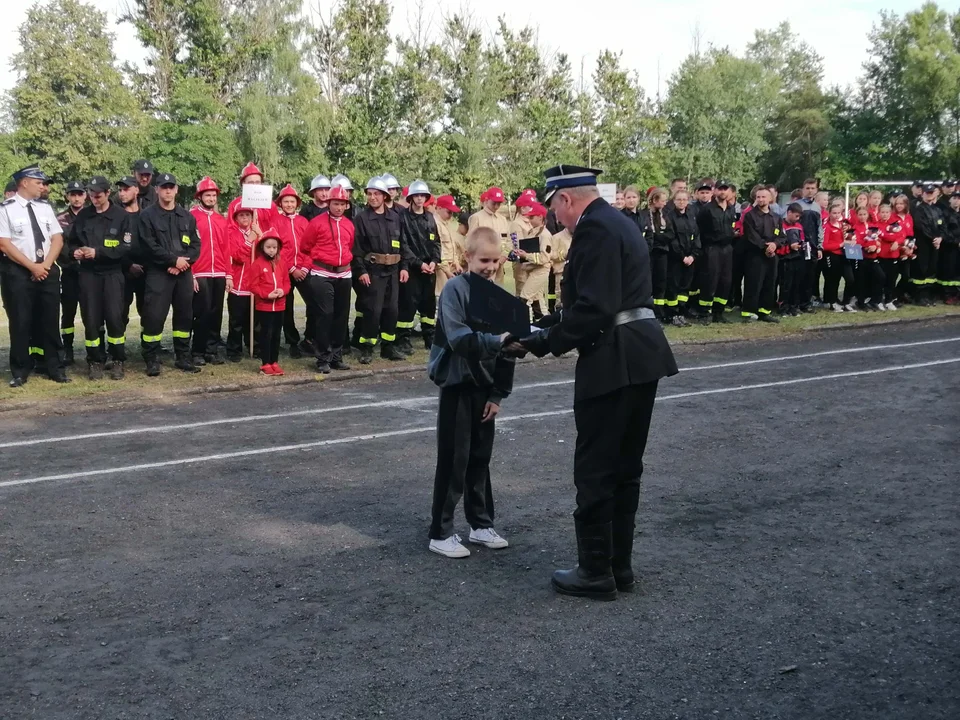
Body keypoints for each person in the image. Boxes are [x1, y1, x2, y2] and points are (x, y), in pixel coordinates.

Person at [520, 165, 678, 601]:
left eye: (554, 206)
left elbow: (594, 309)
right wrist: (543, 326)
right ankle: (618, 566)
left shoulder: (594, 230)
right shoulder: (619, 223)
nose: (555, 216)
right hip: (640, 354)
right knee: (625, 467)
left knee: (596, 468)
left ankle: (594, 571)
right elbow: (599, 300)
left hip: (614, 359)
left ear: (566, 199)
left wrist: (541, 343)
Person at [426, 226, 523, 559]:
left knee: (480, 458)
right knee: (454, 458)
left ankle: (480, 524)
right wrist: (498, 341)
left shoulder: (499, 295)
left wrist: (498, 395)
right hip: (457, 386)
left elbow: (509, 352)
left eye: (496, 261)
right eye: (484, 260)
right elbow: (460, 340)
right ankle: (440, 532)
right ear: (467, 257)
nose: (490, 267)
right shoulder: (454, 290)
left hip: (484, 389)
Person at [0, 165, 70, 386]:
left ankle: (54, 367)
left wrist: (45, 265)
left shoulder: (45, 208)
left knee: (50, 320)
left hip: (46, 270)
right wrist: (32, 267)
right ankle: (20, 370)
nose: (43, 186)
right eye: (38, 182)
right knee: (20, 321)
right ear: (24, 183)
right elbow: (4, 243)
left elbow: (57, 238)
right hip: (18, 273)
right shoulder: (6, 209)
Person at [138, 173, 202, 376]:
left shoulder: (187, 216)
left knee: (184, 316)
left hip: (183, 274)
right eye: (163, 187)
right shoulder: (147, 216)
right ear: (156, 189)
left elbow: (196, 245)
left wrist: (183, 263)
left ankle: (182, 356)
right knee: (154, 316)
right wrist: (173, 261)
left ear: (176, 190)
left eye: (171, 187)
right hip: (159, 273)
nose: (167, 190)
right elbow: (149, 246)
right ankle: (152, 359)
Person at [68, 176, 131, 380]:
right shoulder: (84, 216)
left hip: (112, 273)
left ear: (107, 193)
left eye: (98, 195)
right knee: (91, 319)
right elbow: (71, 243)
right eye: (92, 195)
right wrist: (75, 252)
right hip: (88, 275)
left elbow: (126, 247)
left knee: (114, 318)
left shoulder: (121, 216)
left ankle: (118, 360)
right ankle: (95, 360)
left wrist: (98, 253)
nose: (95, 198)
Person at [352, 176, 411, 364]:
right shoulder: (361, 218)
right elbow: (357, 249)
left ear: (385, 196)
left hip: (393, 271)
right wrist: (361, 271)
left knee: (392, 310)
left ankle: (388, 347)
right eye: (369, 194)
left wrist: (404, 267)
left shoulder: (396, 218)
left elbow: (403, 245)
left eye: (376, 194)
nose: (372, 197)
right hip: (373, 271)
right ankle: (367, 348)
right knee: (372, 310)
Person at [301, 185, 354, 373]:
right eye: (335, 203)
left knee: (341, 316)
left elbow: (350, 245)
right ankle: (323, 357)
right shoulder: (316, 223)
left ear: (346, 205)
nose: (338, 207)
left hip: (344, 274)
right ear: (328, 203)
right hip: (322, 273)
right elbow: (305, 246)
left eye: (342, 204)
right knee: (325, 315)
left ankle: (337, 356)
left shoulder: (349, 224)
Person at [190, 176, 231, 365]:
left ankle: (211, 350)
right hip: (200, 272)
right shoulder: (191, 217)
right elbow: (188, 247)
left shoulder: (221, 220)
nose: (211, 199)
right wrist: (190, 274)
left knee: (216, 313)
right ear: (200, 196)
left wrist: (228, 274)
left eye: (214, 195)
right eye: (208, 195)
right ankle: (197, 351)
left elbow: (226, 248)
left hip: (219, 273)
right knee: (202, 313)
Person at [397, 179, 441, 353]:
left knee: (428, 305)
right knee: (408, 304)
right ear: (411, 198)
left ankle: (429, 337)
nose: (420, 199)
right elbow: (403, 245)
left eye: (423, 195)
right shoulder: (403, 218)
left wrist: (434, 261)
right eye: (416, 196)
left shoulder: (430, 218)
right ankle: (403, 339)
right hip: (413, 269)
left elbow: (436, 242)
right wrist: (418, 263)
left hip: (429, 270)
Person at [274, 183, 313, 359]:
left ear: (297, 203)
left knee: (315, 304)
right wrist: (291, 268)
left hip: (305, 270)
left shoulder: (304, 222)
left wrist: (304, 267)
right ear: (280, 203)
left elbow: (312, 246)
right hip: (285, 271)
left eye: (292, 201)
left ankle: (310, 339)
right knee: (286, 308)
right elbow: (276, 249)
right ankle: (292, 342)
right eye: (286, 201)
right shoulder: (276, 222)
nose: (289, 204)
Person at [248, 229, 290, 376]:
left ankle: (274, 361)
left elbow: (286, 283)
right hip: (264, 306)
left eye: (274, 247)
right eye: (268, 247)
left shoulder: (282, 263)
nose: (271, 250)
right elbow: (253, 285)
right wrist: (267, 294)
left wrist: (282, 291)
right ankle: (265, 363)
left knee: (277, 334)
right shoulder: (257, 264)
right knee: (266, 334)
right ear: (262, 248)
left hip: (280, 305)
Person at [696, 180, 737, 323]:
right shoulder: (707, 209)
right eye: (720, 189)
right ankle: (704, 313)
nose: (723, 192)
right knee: (710, 280)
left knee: (725, 281)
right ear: (715, 191)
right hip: (711, 248)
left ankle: (718, 312)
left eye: (725, 189)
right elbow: (699, 230)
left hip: (727, 249)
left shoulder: (731, 209)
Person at [56, 180, 87, 365]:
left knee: (92, 312)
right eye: (72, 194)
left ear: (85, 195)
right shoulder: (59, 219)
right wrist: (70, 258)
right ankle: (67, 349)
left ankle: (97, 349)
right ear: (67, 196)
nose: (76, 198)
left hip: (90, 273)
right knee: (68, 313)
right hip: (69, 272)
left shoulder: (92, 215)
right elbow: (58, 246)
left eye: (80, 194)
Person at [740, 187, 783, 322]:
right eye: (758, 197)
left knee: (769, 284)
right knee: (753, 283)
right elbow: (752, 236)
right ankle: (748, 312)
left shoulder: (776, 217)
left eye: (763, 197)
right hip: (755, 255)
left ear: (770, 198)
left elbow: (781, 236)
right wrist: (766, 247)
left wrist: (775, 245)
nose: (760, 199)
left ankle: (764, 311)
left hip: (772, 256)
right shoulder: (750, 216)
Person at [225, 205, 260, 361]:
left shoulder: (259, 233)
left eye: (247, 215)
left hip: (255, 284)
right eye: (241, 216)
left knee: (255, 320)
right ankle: (234, 350)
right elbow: (238, 256)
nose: (245, 218)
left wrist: (259, 236)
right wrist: (249, 240)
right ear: (236, 219)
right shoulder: (231, 234)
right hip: (238, 284)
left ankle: (255, 346)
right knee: (236, 320)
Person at [664, 189, 700, 326]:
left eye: (684, 199)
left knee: (685, 288)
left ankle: (681, 311)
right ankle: (672, 314)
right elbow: (672, 238)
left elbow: (696, 236)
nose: (682, 202)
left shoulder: (691, 216)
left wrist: (693, 255)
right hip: (676, 259)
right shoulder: (669, 217)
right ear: (674, 201)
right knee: (674, 287)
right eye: (679, 199)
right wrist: (682, 256)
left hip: (690, 259)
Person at [513, 202, 553, 320]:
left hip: (540, 270)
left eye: (531, 217)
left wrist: (526, 255)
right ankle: (541, 324)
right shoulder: (534, 231)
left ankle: (526, 325)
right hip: (532, 269)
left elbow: (544, 258)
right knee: (537, 302)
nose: (529, 220)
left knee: (524, 299)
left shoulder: (545, 235)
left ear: (540, 217)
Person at [116, 176, 145, 328]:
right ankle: (118, 347)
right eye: (120, 190)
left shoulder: (147, 216)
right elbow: (112, 246)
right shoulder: (115, 217)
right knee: (120, 312)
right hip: (122, 272)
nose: (122, 193)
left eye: (126, 189)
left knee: (147, 310)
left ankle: (150, 347)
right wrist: (128, 265)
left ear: (136, 190)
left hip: (145, 271)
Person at [467, 187, 511, 285]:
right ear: (487, 201)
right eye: (494, 203)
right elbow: (470, 241)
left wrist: (504, 255)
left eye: (498, 204)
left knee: (497, 292)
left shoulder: (502, 219)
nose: (496, 206)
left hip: (499, 263)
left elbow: (508, 241)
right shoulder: (477, 218)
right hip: (483, 264)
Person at [911, 183, 944, 306]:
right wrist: (933, 238)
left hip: (935, 245)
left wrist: (940, 238)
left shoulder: (937, 210)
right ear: (923, 194)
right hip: (923, 243)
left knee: (932, 269)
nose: (929, 195)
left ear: (935, 193)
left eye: (931, 193)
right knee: (921, 270)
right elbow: (921, 227)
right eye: (927, 193)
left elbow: (942, 225)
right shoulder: (919, 209)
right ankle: (919, 296)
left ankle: (928, 295)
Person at [822, 203, 857, 312]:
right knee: (833, 280)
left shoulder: (843, 225)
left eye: (839, 213)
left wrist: (851, 241)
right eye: (834, 213)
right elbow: (824, 245)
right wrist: (840, 244)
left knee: (850, 279)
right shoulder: (827, 226)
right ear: (829, 213)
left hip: (844, 255)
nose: (837, 215)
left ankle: (846, 302)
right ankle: (832, 302)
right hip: (833, 255)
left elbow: (849, 237)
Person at [226, 162, 279, 231]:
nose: (254, 185)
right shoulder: (235, 205)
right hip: (243, 241)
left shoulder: (270, 205)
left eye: (257, 182)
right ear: (243, 183)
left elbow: (276, 228)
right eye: (251, 182)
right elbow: (231, 230)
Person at [795, 178, 822, 311]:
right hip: (799, 246)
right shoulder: (796, 205)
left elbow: (819, 228)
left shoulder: (817, 207)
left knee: (810, 276)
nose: (810, 191)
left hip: (813, 246)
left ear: (816, 190)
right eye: (807, 188)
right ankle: (795, 303)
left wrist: (820, 246)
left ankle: (806, 303)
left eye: (812, 188)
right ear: (803, 189)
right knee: (798, 275)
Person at [643, 188, 670, 321]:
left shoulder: (665, 215)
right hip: (650, 253)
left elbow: (670, 233)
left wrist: (660, 237)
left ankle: (659, 312)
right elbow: (649, 234)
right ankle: (648, 311)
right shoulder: (644, 215)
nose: (665, 203)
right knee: (649, 282)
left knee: (661, 282)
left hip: (662, 253)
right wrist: (659, 237)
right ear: (654, 200)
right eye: (663, 200)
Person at [777, 203, 808, 316]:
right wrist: (790, 247)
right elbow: (779, 242)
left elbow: (802, 239)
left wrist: (802, 246)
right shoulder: (780, 225)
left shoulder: (799, 226)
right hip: (785, 259)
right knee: (786, 285)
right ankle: (783, 307)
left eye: (799, 217)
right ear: (789, 213)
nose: (797, 219)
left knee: (796, 283)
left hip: (797, 257)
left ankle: (793, 307)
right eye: (796, 216)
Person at [434, 194, 465, 296]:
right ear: (439, 208)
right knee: (441, 295)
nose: (451, 215)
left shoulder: (447, 224)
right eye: (448, 212)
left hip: (451, 267)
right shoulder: (435, 224)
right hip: (441, 268)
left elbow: (451, 246)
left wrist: (456, 263)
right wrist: (446, 270)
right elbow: (438, 249)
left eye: (452, 212)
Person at [877, 205, 904, 310]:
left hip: (893, 256)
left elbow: (902, 235)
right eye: (882, 212)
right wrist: (893, 237)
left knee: (891, 279)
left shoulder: (895, 224)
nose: (884, 214)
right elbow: (883, 235)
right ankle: (878, 300)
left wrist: (897, 241)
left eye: (887, 212)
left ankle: (889, 300)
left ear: (890, 213)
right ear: (879, 213)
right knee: (880, 279)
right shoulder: (877, 225)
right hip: (881, 256)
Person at [940, 192, 960, 304]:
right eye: (954, 198)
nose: (957, 200)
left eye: (958, 199)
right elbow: (944, 231)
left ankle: (957, 294)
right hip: (949, 248)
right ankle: (948, 295)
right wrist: (956, 242)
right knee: (949, 271)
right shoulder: (945, 214)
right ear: (950, 200)